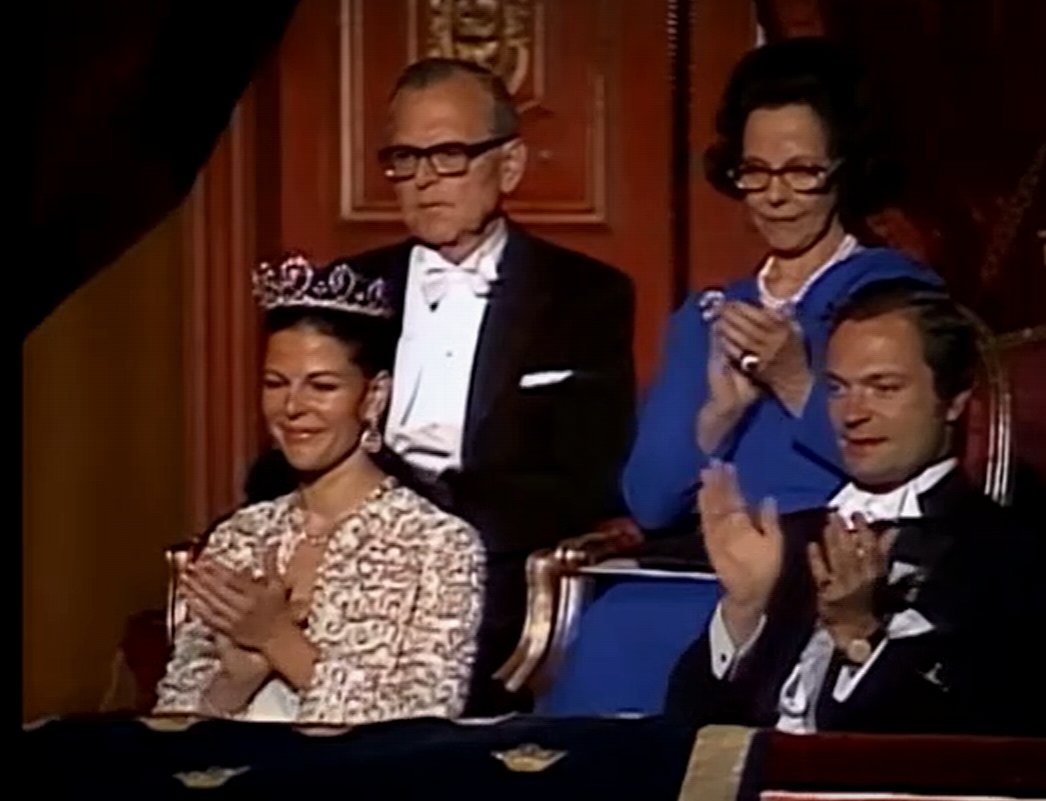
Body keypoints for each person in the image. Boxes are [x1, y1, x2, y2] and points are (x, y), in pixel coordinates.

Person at [249, 58, 637, 714]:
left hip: (487, 560)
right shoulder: (352, 289)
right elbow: (293, 438)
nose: (424, 180)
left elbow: (584, 475)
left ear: (508, 165)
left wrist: (425, 532)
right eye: (405, 157)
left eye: (449, 155)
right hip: (335, 540)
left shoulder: (584, 295)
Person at [664, 280, 1046, 736]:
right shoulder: (792, 537)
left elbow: (998, 728)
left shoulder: (1002, 546)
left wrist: (861, 633)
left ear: (954, 400)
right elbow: (687, 727)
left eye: (883, 388)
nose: (852, 413)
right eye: (838, 389)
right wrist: (743, 609)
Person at [624, 38, 942, 531]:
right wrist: (718, 418)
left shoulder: (891, 294)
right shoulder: (710, 314)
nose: (775, 195)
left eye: (801, 172)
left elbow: (910, 470)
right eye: (755, 172)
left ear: (845, 170)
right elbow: (649, 503)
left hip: (826, 571)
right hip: (695, 573)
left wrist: (796, 381)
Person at [155, 256, 486, 725]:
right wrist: (237, 681)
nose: (292, 407)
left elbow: (418, 731)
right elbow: (171, 729)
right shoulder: (240, 536)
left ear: (373, 397)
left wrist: (279, 641)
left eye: (322, 386)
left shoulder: (438, 546)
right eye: (275, 384)